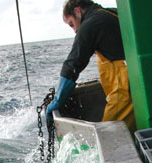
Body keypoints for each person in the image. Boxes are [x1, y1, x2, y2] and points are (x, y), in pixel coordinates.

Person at [46, 0, 135, 132]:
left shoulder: (91, 24)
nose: (75, 30)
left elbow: (73, 64)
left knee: (109, 133)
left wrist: (57, 101)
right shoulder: (111, 13)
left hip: (124, 88)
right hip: (135, 80)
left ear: (77, 11)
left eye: (72, 24)